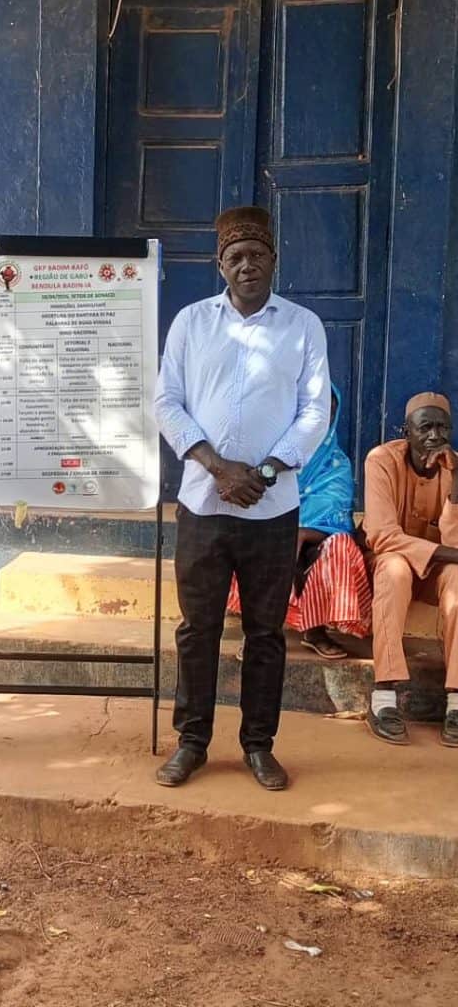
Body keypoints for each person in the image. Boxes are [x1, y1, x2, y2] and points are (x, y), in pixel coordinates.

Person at [154, 206, 330, 790]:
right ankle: (192, 742)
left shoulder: (302, 326)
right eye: (236, 257)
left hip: (271, 509)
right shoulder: (191, 322)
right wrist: (217, 466)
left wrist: (268, 470)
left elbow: (314, 411)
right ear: (220, 265)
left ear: (274, 261)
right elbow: (167, 401)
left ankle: (259, 745)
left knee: (266, 633)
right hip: (203, 504)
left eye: (257, 255)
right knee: (197, 629)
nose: (247, 265)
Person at [228, 384, 372, 658]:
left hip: (315, 541)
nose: (319, 421)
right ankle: (257, 632)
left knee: (342, 546)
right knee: (247, 535)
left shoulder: (337, 464)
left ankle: (315, 630)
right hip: (273, 531)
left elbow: (337, 518)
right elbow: (255, 502)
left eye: (327, 414)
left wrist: (302, 534)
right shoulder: (270, 460)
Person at [363, 392, 458, 747]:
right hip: (390, 565)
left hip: (436, 571)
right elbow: (382, 536)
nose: (434, 436)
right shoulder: (381, 460)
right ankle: (384, 696)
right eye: (425, 427)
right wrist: (448, 553)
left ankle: (456, 702)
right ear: (407, 431)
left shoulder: (455, 467)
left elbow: (455, 540)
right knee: (394, 569)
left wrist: (457, 484)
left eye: (442, 427)